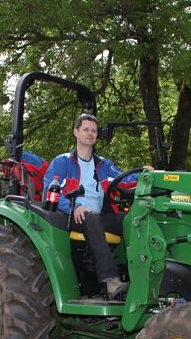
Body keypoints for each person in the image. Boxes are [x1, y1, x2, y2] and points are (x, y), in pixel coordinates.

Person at [43, 113, 146, 300]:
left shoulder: (103, 165)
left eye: (94, 131)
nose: (90, 133)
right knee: (90, 217)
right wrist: (74, 207)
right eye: (86, 130)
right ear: (76, 132)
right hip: (70, 216)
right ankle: (110, 280)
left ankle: (141, 275)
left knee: (134, 219)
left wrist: (145, 174)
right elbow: (50, 193)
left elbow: (123, 180)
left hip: (97, 217)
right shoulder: (62, 162)